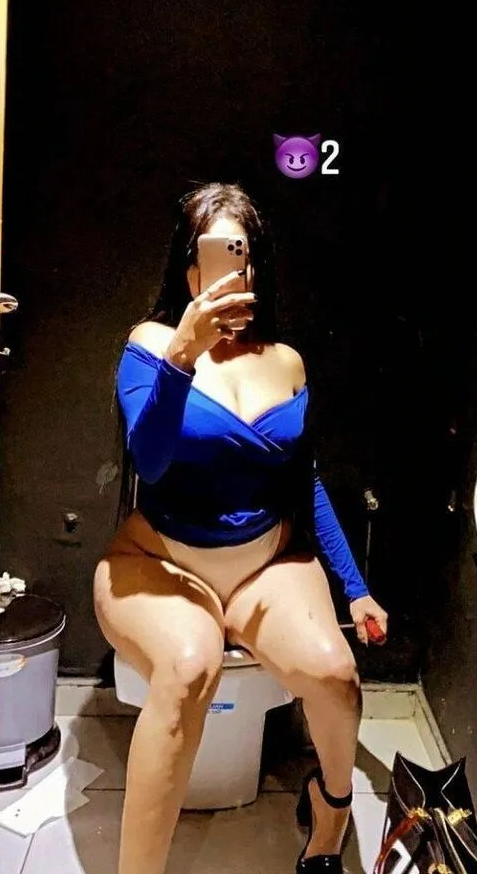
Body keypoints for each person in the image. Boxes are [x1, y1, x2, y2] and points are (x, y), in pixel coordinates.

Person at [93, 182, 388, 874]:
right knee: (187, 668)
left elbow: (302, 481)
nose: (231, 269)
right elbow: (150, 460)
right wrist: (182, 357)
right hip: (161, 563)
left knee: (335, 673)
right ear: (188, 266)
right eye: (214, 253)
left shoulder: (286, 361)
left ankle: (329, 813)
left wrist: (354, 587)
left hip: (265, 565)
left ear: (257, 265)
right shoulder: (152, 344)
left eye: (242, 253)